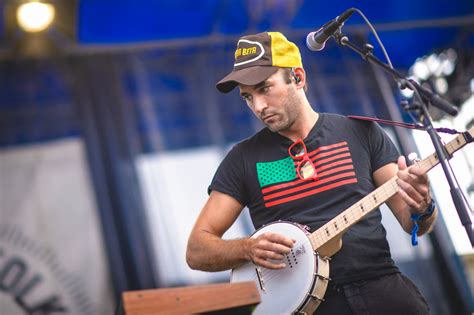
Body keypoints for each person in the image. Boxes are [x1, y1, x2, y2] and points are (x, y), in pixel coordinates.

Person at [186, 31, 437, 314]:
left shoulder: (361, 132)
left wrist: (423, 206)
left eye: (264, 88)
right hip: (305, 307)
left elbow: (412, 220)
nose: (258, 107)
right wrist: (247, 249)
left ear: (298, 78)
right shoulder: (242, 159)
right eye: (247, 97)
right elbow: (196, 250)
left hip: (382, 292)